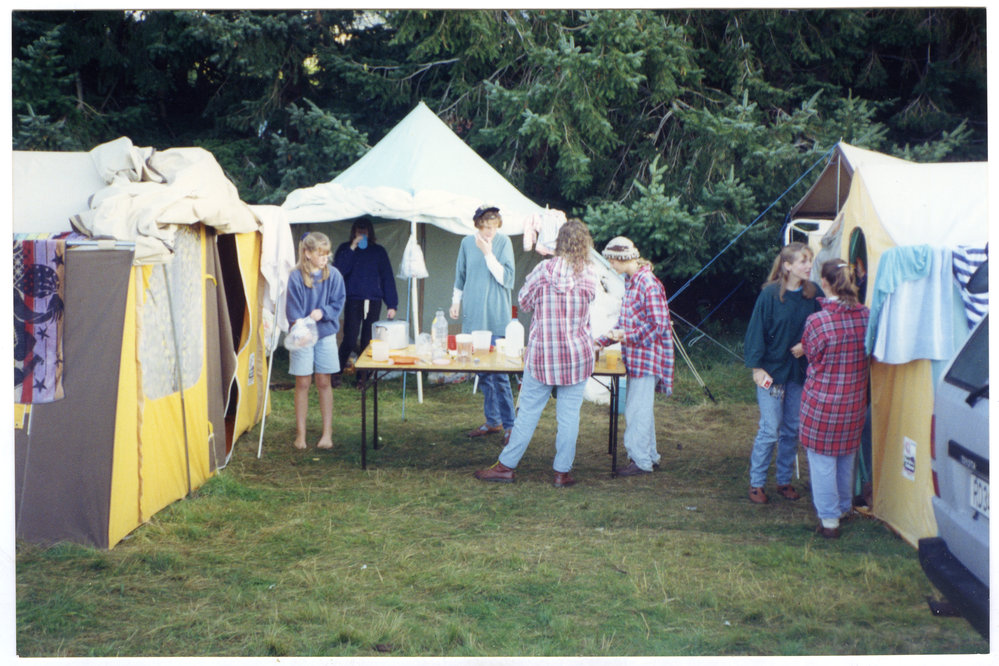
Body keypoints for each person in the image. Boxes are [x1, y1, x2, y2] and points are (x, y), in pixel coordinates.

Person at [474, 219, 597, 487]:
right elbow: (589, 308)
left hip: (543, 355)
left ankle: (506, 466)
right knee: (569, 417)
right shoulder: (590, 274)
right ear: (585, 244)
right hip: (577, 356)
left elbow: (524, 302)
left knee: (528, 413)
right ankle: (561, 473)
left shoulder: (543, 271)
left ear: (559, 243)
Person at [743, 241, 824, 504]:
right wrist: (757, 368)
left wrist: (806, 344)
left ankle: (783, 481)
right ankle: (756, 483)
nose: (808, 266)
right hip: (771, 372)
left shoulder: (814, 294)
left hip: (799, 373)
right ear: (787, 266)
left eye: (809, 260)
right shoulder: (769, 295)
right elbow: (755, 331)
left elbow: (825, 327)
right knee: (770, 428)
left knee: (792, 428)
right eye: (802, 261)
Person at [800, 260, 871, 539]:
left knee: (822, 461)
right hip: (854, 401)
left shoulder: (817, 320)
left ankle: (829, 521)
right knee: (846, 456)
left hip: (822, 402)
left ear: (825, 282)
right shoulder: (865, 315)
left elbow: (810, 354)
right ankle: (842, 508)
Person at [594, 237, 674, 476]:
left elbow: (659, 326)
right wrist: (602, 341)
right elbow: (625, 322)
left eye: (612, 262)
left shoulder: (647, 283)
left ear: (624, 258)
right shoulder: (631, 282)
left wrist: (627, 337)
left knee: (636, 411)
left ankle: (640, 462)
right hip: (636, 357)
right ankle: (649, 456)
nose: (610, 266)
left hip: (647, 358)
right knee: (641, 409)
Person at [450, 204, 517, 443]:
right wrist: (455, 301)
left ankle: (511, 425)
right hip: (474, 315)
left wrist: (488, 253)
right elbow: (461, 274)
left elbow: (507, 279)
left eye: (493, 226)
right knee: (483, 371)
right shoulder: (467, 243)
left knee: (499, 373)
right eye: (485, 226)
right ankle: (493, 421)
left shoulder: (503, 243)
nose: (489, 231)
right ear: (477, 225)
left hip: (496, 315)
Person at [286, 232, 346, 450]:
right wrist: (301, 327)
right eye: (320, 254)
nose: (324, 258)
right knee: (303, 382)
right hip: (303, 334)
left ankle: (326, 433)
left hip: (326, 333)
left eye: (326, 253)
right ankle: (300, 435)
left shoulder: (334, 276)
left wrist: (325, 312)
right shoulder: (295, 277)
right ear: (307, 253)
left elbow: (339, 301)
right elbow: (293, 311)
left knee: (324, 381)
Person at [333, 219, 398, 386]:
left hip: (373, 300)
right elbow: (338, 271)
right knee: (350, 337)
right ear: (354, 232)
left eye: (365, 231)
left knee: (368, 340)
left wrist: (392, 304)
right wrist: (353, 247)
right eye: (359, 231)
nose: (362, 234)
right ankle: (336, 373)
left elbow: (387, 278)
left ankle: (363, 377)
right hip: (353, 299)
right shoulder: (345, 249)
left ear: (370, 232)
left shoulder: (378, 252)